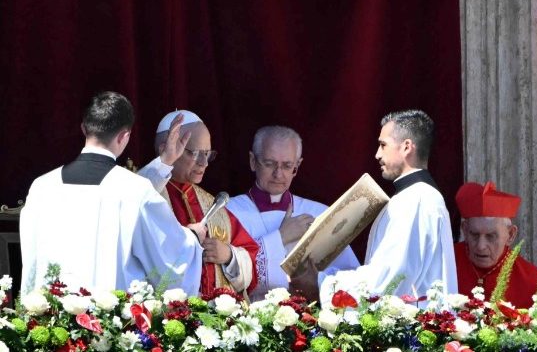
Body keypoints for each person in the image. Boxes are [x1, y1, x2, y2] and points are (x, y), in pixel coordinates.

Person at [20, 92, 205, 294]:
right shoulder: (134, 190)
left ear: (84, 128)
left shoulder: (42, 186)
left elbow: (31, 262)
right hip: (110, 313)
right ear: (125, 136)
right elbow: (171, 261)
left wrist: (166, 160)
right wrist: (193, 237)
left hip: (51, 311)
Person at [318, 109, 457, 303]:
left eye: (383, 145)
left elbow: (388, 280)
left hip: (412, 319)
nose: (377, 154)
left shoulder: (417, 199)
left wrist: (322, 283)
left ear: (406, 147)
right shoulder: (412, 197)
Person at [225, 126, 360, 301]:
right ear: (253, 161)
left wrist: (317, 281)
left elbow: (350, 277)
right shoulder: (228, 212)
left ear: (297, 166)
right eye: (269, 164)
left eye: (287, 166)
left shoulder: (320, 213)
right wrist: (280, 237)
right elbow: (221, 272)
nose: (278, 174)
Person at [138, 110, 259, 299]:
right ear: (165, 148)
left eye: (207, 154)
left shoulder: (212, 204)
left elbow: (252, 263)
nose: (204, 163)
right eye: (194, 153)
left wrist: (228, 255)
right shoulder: (144, 192)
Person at [453, 181, 537, 309]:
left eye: (491, 236)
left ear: (510, 235)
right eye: (474, 235)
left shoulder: (535, 284)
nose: (481, 246)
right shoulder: (444, 262)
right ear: (465, 230)